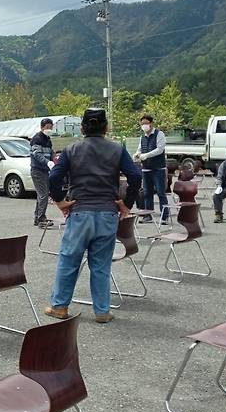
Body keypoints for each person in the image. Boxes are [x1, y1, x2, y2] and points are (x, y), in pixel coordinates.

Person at [45, 108, 142, 324]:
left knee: (69, 260)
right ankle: (102, 311)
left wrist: (60, 200)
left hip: (80, 212)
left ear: (82, 128)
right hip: (107, 213)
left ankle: (60, 307)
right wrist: (126, 203)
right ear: (106, 127)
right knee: (100, 265)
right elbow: (135, 175)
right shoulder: (117, 149)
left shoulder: (71, 149)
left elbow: (54, 177)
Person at [134, 115, 168, 224]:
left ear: (151, 123)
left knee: (160, 192)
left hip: (158, 168)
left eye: (146, 123)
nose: (144, 125)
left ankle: (164, 216)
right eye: (142, 123)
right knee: (147, 193)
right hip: (146, 169)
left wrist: (147, 155)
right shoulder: (142, 137)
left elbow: (160, 149)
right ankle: (147, 215)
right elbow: (140, 149)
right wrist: (137, 154)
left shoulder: (159, 134)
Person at [30, 118, 55, 228]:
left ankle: (38, 217)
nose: (49, 129)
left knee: (41, 195)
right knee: (43, 195)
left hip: (45, 170)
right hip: (37, 170)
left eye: (51, 127)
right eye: (47, 127)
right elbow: (37, 154)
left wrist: (55, 158)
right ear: (42, 127)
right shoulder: (37, 138)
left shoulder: (48, 139)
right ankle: (41, 218)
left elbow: (50, 152)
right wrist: (47, 162)